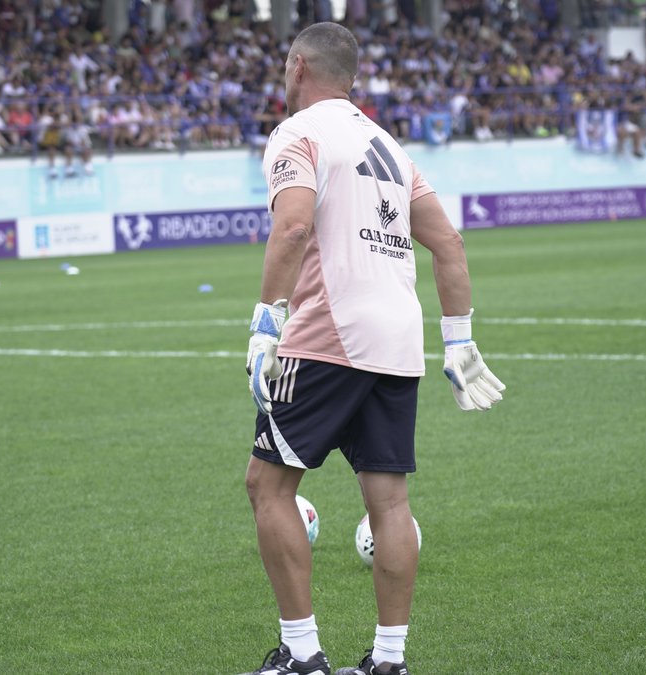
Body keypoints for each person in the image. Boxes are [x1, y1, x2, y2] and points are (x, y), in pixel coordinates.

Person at [241, 22, 505, 675]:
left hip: (327, 334)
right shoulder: (388, 144)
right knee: (388, 502)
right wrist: (459, 340)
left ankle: (302, 655)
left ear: (298, 66)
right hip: (397, 339)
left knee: (268, 485)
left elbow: (293, 226)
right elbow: (449, 245)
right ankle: (389, 662)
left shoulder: (298, 133)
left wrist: (266, 322)